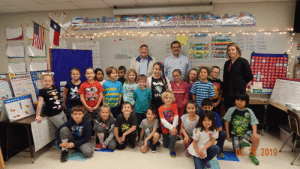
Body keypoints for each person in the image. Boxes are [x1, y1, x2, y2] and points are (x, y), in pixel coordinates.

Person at [224, 92, 260, 165]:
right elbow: (226, 122)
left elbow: (254, 123)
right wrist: (227, 134)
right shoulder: (231, 110)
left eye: (242, 101)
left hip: (245, 132)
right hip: (235, 133)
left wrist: (254, 133)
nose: (239, 102)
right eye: (238, 100)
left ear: (246, 102)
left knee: (257, 138)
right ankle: (241, 144)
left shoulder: (249, 111)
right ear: (235, 101)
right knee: (238, 153)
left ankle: (252, 154)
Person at [223, 42, 253, 111]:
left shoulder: (243, 62)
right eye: (229, 50)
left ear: (237, 50)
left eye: (233, 50)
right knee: (229, 113)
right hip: (228, 95)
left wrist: (240, 83)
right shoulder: (227, 63)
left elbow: (249, 76)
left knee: (238, 113)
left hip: (239, 94)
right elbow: (225, 78)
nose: (231, 52)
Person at [146, 62, 172, 134]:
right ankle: (155, 133)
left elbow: (169, 90)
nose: (157, 71)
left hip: (163, 103)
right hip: (153, 103)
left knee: (163, 118)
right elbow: (147, 91)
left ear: (161, 70)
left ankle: (163, 133)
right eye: (155, 69)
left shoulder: (165, 79)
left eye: (159, 69)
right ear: (153, 69)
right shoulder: (149, 80)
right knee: (155, 118)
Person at [158, 91, 178, 158]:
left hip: (173, 126)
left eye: (170, 98)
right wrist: (171, 128)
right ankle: (173, 137)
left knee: (172, 140)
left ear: (172, 99)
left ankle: (172, 149)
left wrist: (173, 127)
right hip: (165, 127)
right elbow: (162, 120)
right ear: (163, 99)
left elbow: (176, 116)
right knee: (165, 146)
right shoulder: (160, 108)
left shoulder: (174, 105)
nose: (168, 99)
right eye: (166, 98)